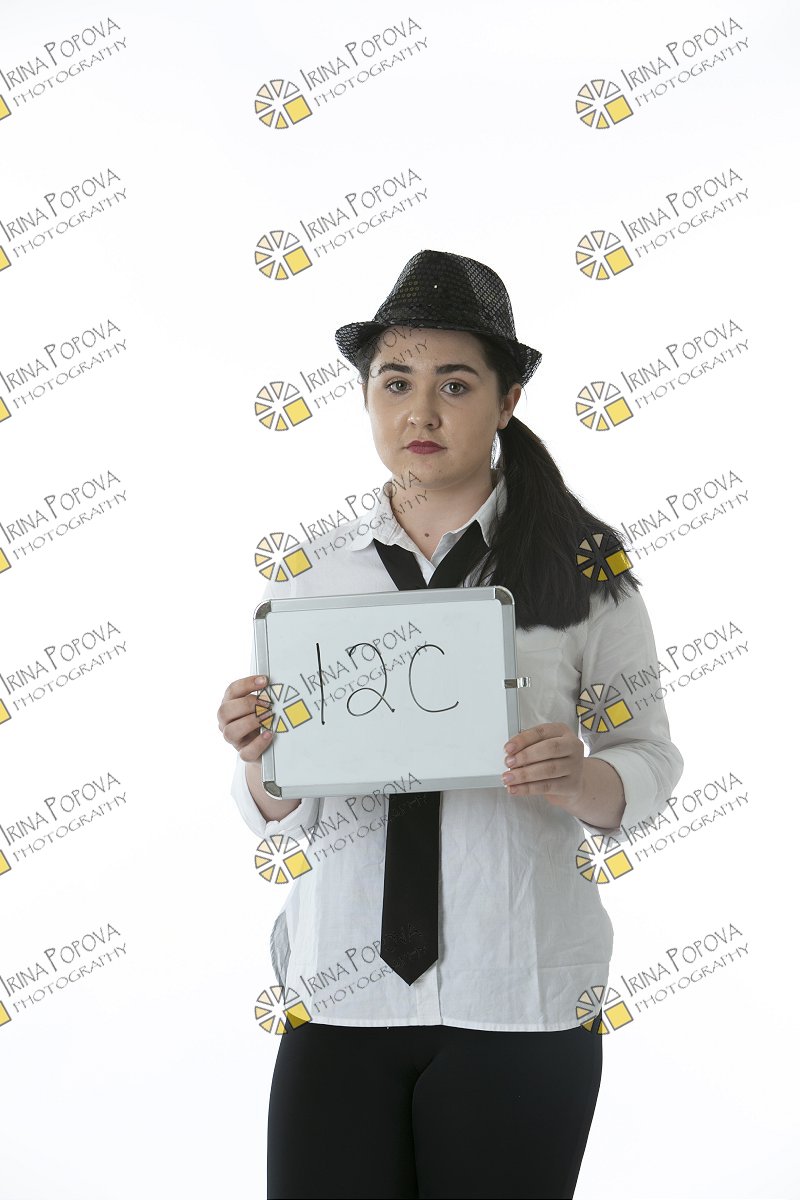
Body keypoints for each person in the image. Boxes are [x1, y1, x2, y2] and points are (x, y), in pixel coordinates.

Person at [217, 249, 684, 1199]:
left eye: (455, 385)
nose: (420, 413)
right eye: (396, 383)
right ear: (366, 398)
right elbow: (275, 804)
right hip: (341, 994)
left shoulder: (582, 564)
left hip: (521, 995)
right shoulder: (311, 575)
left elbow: (649, 758)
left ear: (508, 401)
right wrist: (261, 756)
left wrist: (580, 778)